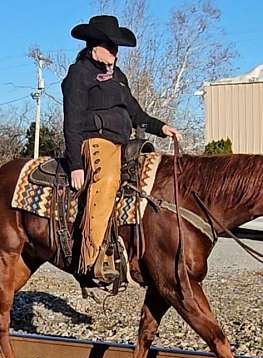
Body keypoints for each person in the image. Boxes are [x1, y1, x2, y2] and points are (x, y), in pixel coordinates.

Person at [62, 15, 181, 282]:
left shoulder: (118, 76)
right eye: (111, 46)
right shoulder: (79, 73)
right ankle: (91, 260)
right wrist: (76, 165)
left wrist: (161, 127)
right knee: (108, 180)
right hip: (95, 141)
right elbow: (72, 120)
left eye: (117, 48)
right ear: (95, 45)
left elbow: (136, 113)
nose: (115, 53)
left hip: (123, 142)